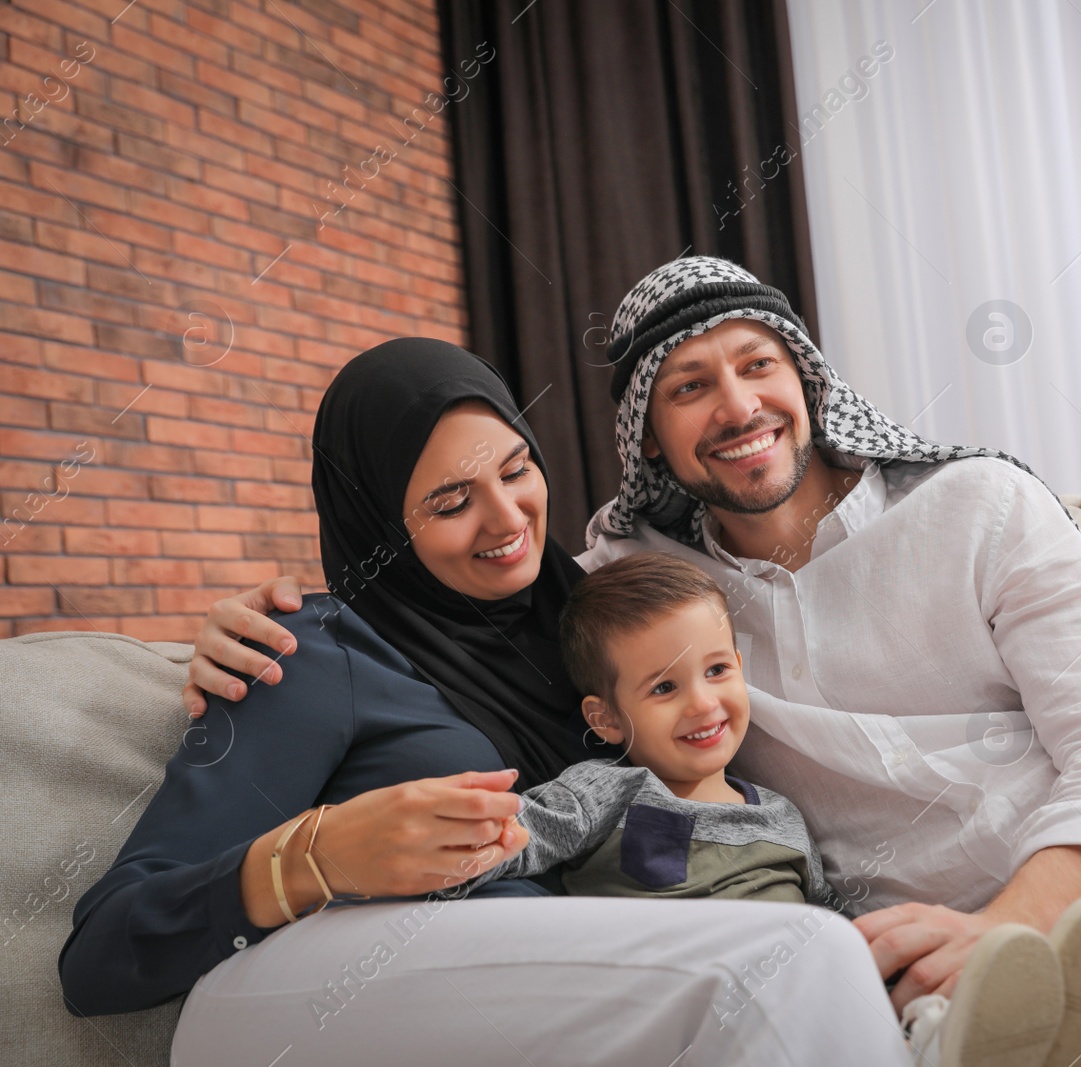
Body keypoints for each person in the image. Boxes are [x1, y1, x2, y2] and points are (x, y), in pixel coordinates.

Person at [185, 258, 1081, 1067]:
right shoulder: (627, 588)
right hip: (986, 922)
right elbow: (437, 570)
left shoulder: (976, 501)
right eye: (689, 388)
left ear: (805, 371)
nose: (735, 405)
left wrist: (1037, 901)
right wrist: (248, 627)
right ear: (649, 434)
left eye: (756, 364)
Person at [60, 338, 920, 1067]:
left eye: (516, 470)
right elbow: (101, 951)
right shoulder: (309, 654)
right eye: (449, 501)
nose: (507, 518)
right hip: (309, 998)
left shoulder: (589, 619)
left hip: (562, 993)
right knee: (795, 957)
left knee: (823, 952)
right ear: (377, 521)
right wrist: (319, 854)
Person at [464, 549, 1081, 1067]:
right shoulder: (606, 792)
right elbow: (511, 836)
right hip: (685, 1015)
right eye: (663, 687)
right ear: (604, 719)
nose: (702, 703)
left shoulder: (780, 815)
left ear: (740, 667)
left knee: (869, 986)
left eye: (716, 670)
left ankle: (987, 1025)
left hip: (805, 1001)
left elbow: (825, 919)